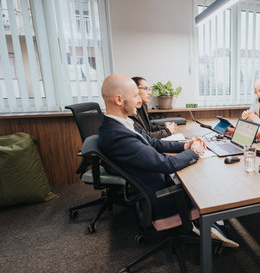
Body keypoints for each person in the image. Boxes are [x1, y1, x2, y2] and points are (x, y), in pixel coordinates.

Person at [97, 74, 238, 247]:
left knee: (201, 171)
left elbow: (153, 143)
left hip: (159, 181)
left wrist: (185, 146)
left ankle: (211, 224)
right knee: (210, 180)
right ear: (119, 99)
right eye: (135, 96)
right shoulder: (117, 136)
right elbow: (165, 165)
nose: (139, 101)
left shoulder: (122, 124)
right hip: (162, 195)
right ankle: (209, 225)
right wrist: (194, 152)